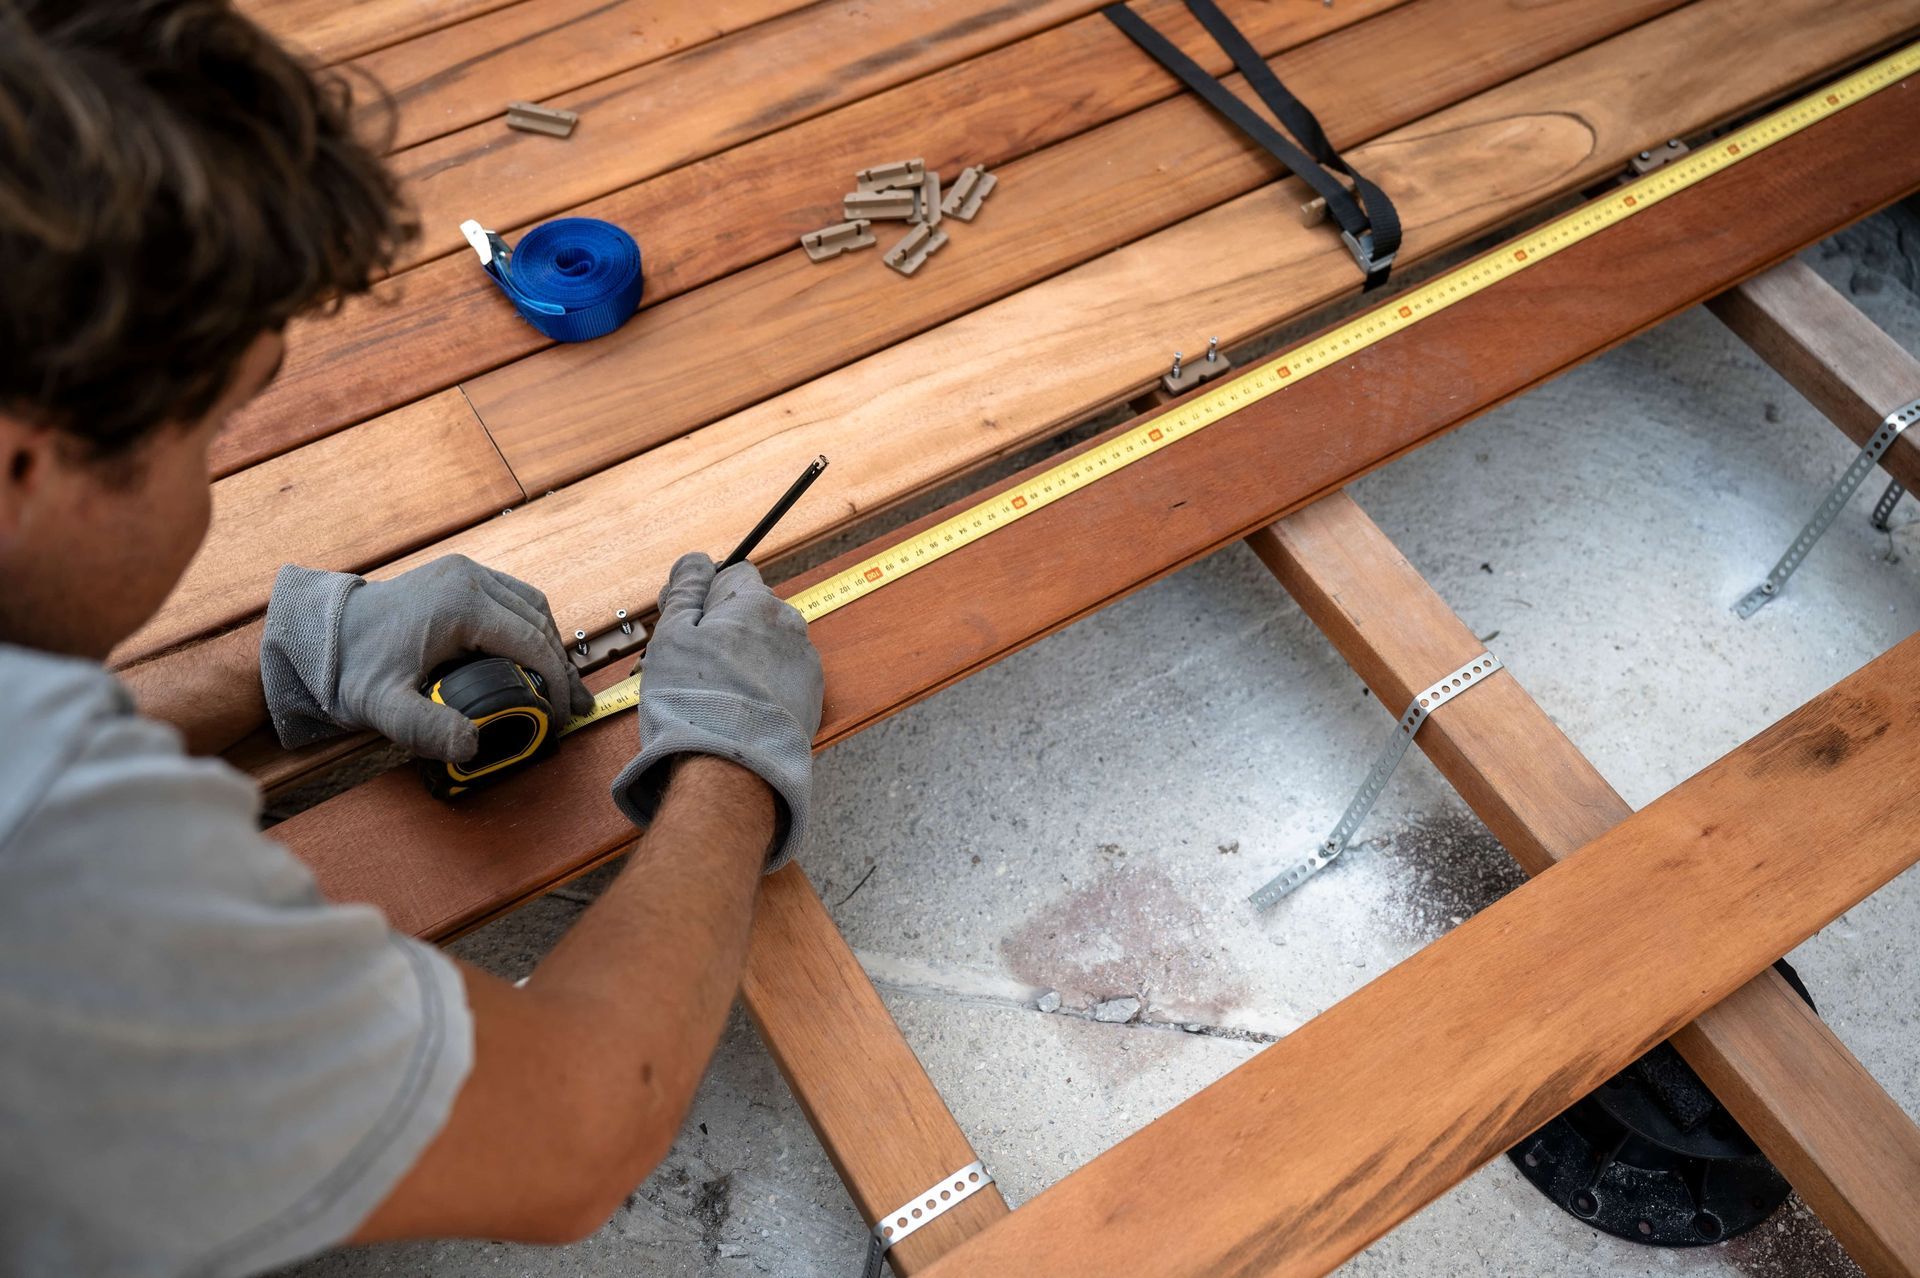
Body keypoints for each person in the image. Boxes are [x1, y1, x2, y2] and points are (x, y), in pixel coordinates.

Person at [0, 2, 824, 1273]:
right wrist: (728, 758)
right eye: (208, 433)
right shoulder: (76, 901)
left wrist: (282, 660)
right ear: (26, 460)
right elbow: (575, 1130)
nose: (210, 490)